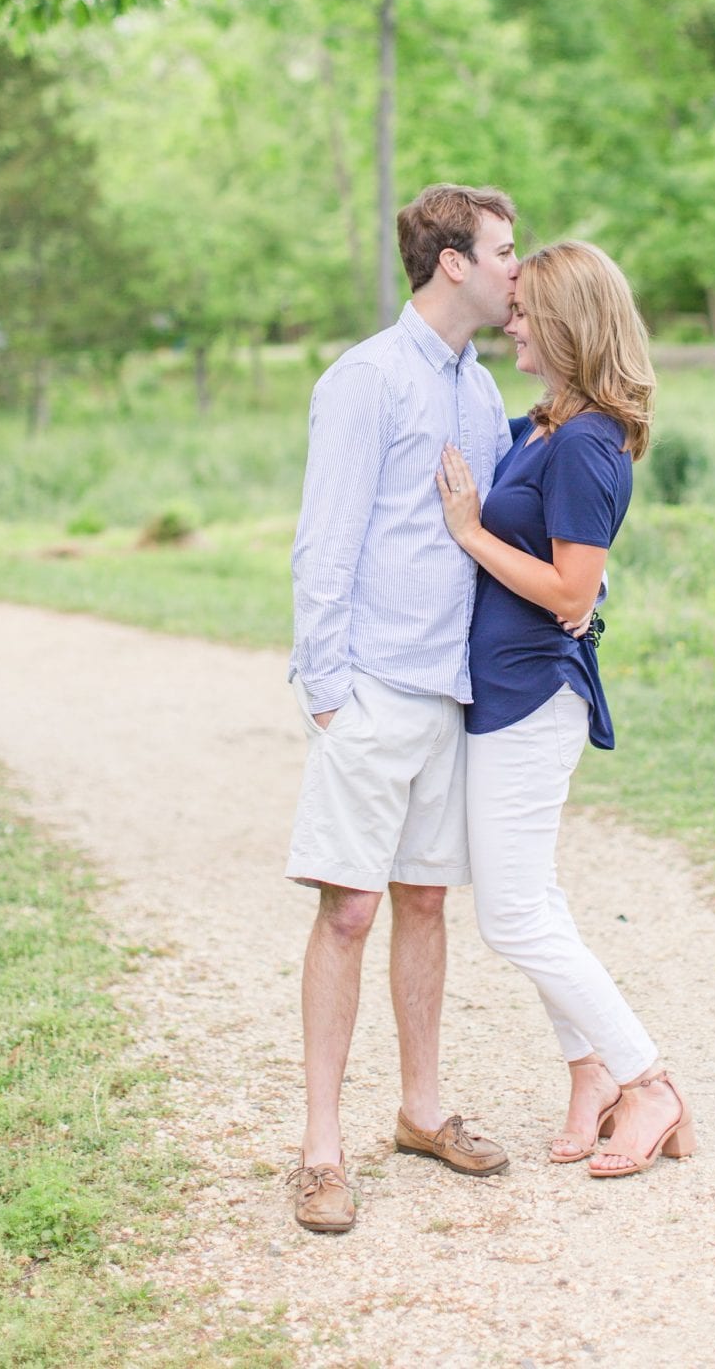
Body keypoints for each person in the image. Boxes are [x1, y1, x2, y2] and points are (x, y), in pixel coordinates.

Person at [285, 183, 520, 1234]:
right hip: (373, 688)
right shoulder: (366, 378)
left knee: (426, 901)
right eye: (507, 251)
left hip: (453, 692)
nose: (520, 268)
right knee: (349, 907)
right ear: (454, 263)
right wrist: (329, 694)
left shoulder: (479, 389)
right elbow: (324, 539)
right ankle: (322, 1150)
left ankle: (421, 1112)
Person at [437, 241, 694, 1179]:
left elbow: (570, 591)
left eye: (527, 311)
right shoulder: (549, 423)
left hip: (533, 696)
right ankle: (588, 1073)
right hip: (502, 695)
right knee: (531, 899)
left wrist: (468, 534)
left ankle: (648, 1081)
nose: (513, 323)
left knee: (511, 917)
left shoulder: (587, 442)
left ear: (570, 325)